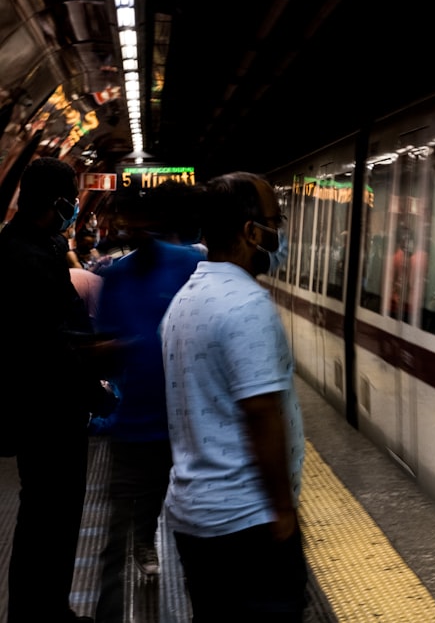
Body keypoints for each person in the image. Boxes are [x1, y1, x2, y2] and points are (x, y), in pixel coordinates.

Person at [159, 172, 306, 620]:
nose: (278, 235)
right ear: (250, 231)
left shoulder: (185, 299)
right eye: (274, 222)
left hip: (195, 514)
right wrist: (282, 512)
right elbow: (261, 413)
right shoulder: (246, 305)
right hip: (246, 521)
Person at [0, 156, 111, 623]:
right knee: (53, 517)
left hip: (36, 409)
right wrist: (99, 384)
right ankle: (42, 612)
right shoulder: (30, 258)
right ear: (60, 202)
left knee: (41, 516)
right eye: (71, 200)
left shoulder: (20, 247)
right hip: (49, 412)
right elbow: (52, 343)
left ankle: (42, 608)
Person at [93, 182, 205, 622]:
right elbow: (105, 347)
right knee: (115, 539)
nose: (131, 229)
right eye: (125, 223)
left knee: (196, 538)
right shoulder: (114, 276)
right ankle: (109, 612)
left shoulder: (193, 265)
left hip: (186, 428)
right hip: (133, 427)